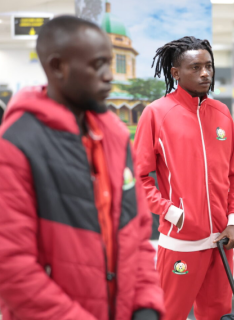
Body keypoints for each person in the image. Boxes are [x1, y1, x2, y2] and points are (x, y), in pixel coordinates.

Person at [0, 16, 164, 320]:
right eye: (97, 65)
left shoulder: (115, 136)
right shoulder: (17, 145)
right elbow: (11, 265)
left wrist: (146, 305)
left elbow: (137, 236)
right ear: (58, 66)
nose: (108, 76)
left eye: (110, 64)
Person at [134, 36, 234, 320]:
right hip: (180, 243)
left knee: (218, 314)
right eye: (195, 67)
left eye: (208, 66)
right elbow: (139, 178)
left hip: (222, 242)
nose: (205, 73)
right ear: (175, 72)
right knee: (169, 314)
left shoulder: (222, 113)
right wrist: (174, 213)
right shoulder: (156, 114)